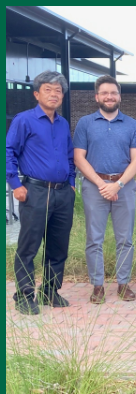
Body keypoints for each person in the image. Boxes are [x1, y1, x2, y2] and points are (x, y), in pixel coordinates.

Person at [6, 71, 76, 315]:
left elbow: (69, 155)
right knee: (29, 246)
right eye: (48, 89)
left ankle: (49, 291)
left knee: (58, 246)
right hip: (34, 192)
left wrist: (72, 182)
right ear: (37, 94)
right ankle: (24, 295)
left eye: (58, 90)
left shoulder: (63, 123)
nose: (54, 94)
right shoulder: (24, 120)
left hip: (62, 193)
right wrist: (16, 185)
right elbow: (8, 152)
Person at [73, 75, 136, 304]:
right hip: (95, 187)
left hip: (124, 187)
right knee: (95, 238)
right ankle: (97, 286)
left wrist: (118, 184)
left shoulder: (132, 125)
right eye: (104, 93)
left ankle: (123, 285)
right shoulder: (85, 123)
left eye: (113, 92)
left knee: (125, 238)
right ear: (97, 97)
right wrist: (102, 185)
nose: (109, 96)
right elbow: (79, 158)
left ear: (119, 96)